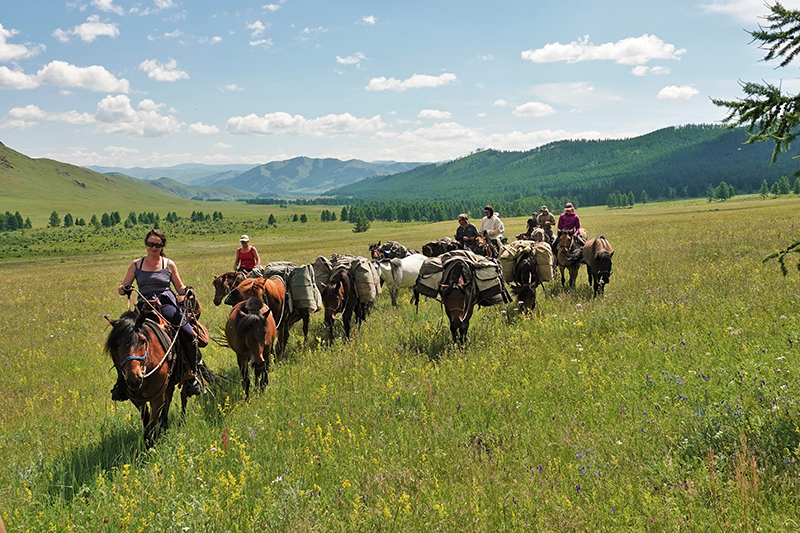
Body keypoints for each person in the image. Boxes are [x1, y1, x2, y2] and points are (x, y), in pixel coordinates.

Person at [113, 229, 203, 401]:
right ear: (145, 245)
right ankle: (121, 382)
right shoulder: (136, 264)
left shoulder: (168, 264)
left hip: (166, 304)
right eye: (150, 244)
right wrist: (123, 288)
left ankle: (192, 375)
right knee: (121, 337)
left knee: (188, 333)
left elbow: (179, 287)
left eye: (157, 245)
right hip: (143, 307)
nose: (153, 248)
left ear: (162, 246)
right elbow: (122, 287)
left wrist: (188, 291)